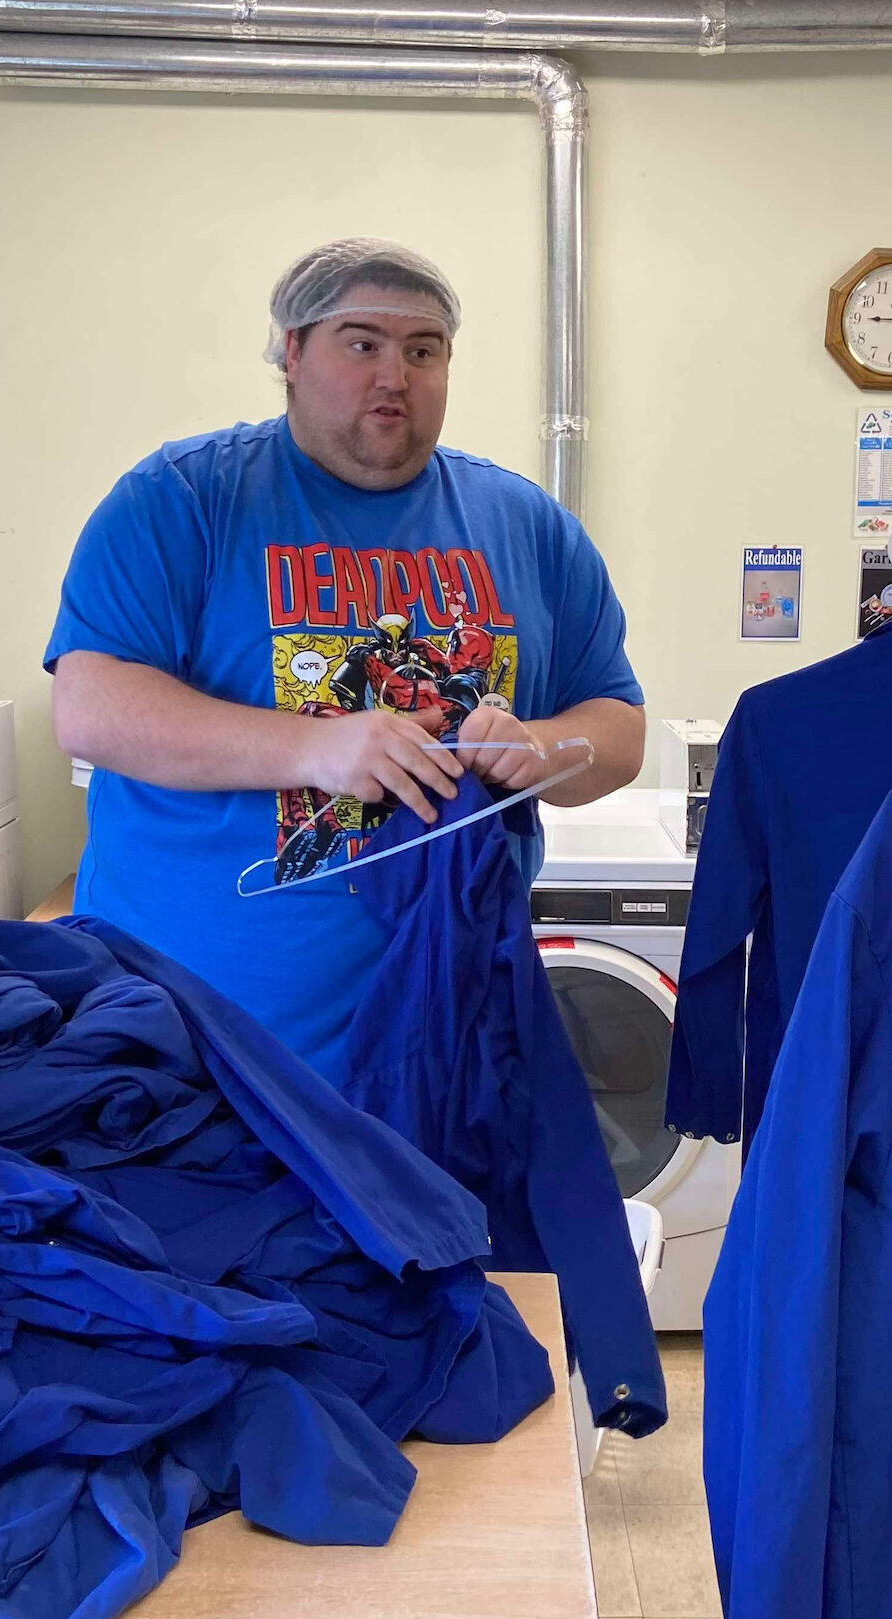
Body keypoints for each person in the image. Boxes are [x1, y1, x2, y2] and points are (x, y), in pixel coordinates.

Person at [46, 238, 645, 1075]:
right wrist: (316, 744)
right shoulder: (182, 499)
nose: (394, 376)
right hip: (198, 1048)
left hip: (449, 1042)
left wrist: (539, 749)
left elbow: (617, 726)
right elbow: (91, 710)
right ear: (291, 352)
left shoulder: (528, 526)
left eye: (422, 350)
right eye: (361, 343)